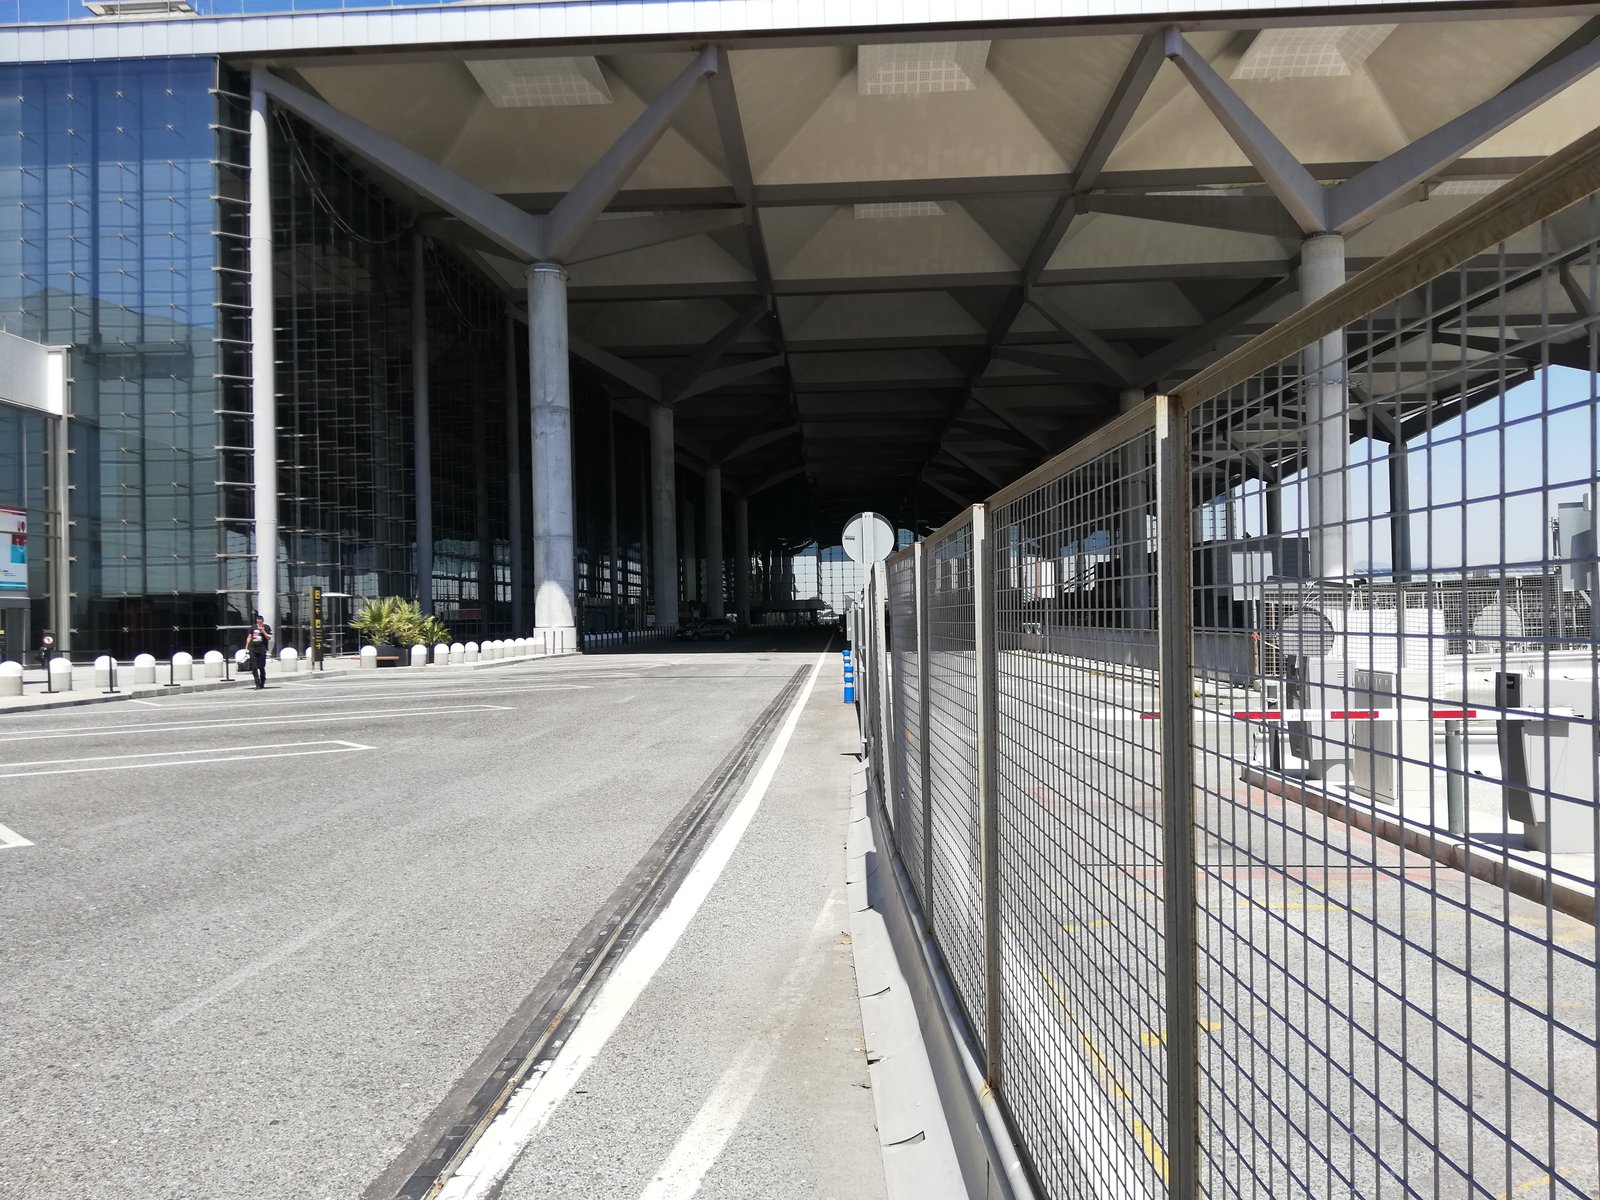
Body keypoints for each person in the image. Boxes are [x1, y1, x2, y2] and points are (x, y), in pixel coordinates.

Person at [245, 614, 272, 689]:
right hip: (253, 649)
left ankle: (262, 681)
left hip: (262, 649)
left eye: (260, 620)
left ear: (263, 620)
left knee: (261, 667)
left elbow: (269, 637)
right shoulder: (253, 627)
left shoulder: (266, 627)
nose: (259, 621)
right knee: (254, 667)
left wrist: (263, 631)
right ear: (256, 620)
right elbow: (249, 637)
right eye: (258, 620)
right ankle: (257, 684)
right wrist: (246, 647)